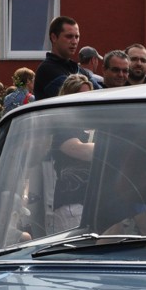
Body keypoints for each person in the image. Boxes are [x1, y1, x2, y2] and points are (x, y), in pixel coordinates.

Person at [47, 74, 96, 232]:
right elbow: (81, 150)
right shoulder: (61, 124)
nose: (85, 100)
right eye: (80, 95)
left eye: (89, 96)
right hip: (72, 203)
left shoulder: (93, 123)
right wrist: (112, 147)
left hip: (95, 201)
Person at [34, 16, 84, 99]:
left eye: (77, 37)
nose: (74, 42)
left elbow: (99, 92)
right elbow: (75, 94)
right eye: (69, 36)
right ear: (54, 37)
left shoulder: (76, 68)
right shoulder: (47, 69)